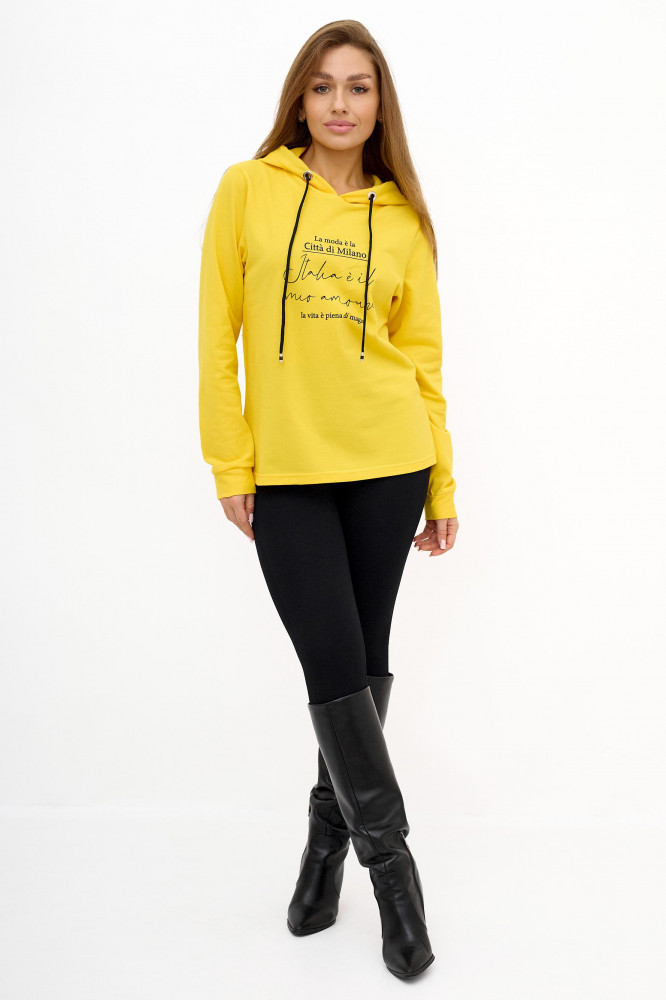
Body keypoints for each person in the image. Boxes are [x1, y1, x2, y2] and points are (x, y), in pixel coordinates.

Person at [198, 19, 459, 980]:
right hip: (290, 473)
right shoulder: (248, 189)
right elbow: (215, 337)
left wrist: (441, 480)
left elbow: (423, 363)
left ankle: (322, 852)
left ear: (380, 104)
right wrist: (231, 465)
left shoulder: (405, 219)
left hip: (390, 465)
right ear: (299, 100)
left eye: (358, 87)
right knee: (334, 664)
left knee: (359, 664)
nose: (340, 104)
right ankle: (395, 876)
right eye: (322, 87)